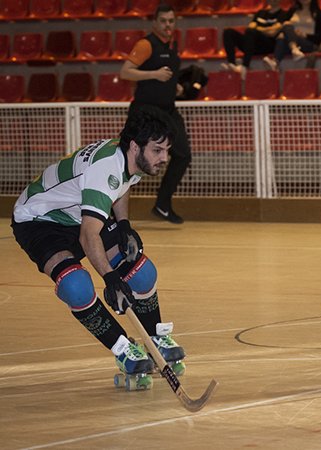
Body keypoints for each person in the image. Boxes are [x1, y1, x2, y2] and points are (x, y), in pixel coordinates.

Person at [10, 107, 187, 390]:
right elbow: (88, 235)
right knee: (76, 285)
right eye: (158, 150)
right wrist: (109, 277)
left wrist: (125, 223)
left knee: (140, 271)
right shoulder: (105, 169)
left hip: (76, 215)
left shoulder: (130, 159)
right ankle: (123, 348)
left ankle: (155, 337)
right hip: (39, 220)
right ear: (135, 146)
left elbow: (122, 185)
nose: (164, 158)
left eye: (166, 150)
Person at [120, 3, 190, 224]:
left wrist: (174, 86)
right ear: (154, 23)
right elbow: (125, 72)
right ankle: (112, 210)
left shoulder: (171, 46)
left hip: (168, 110)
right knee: (129, 160)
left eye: (171, 21)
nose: (168, 25)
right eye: (163, 21)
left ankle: (162, 204)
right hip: (146, 111)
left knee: (182, 155)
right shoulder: (145, 44)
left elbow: (166, 75)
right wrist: (154, 74)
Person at [221, 0, 295, 78]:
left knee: (251, 32)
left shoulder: (283, 14)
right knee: (228, 32)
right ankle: (232, 64)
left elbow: (272, 33)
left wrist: (258, 28)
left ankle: (245, 65)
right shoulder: (260, 13)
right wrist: (267, 29)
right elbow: (251, 27)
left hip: (269, 45)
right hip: (252, 44)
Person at [263, 0, 321, 70]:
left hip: (309, 43)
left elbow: (320, 37)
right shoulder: (292, 11)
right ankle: (294, 49)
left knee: (283, 35)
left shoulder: (318, 13)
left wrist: (304, 35)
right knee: (286, 28)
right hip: (292, 39)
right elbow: (284, 24)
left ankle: (277, 60)